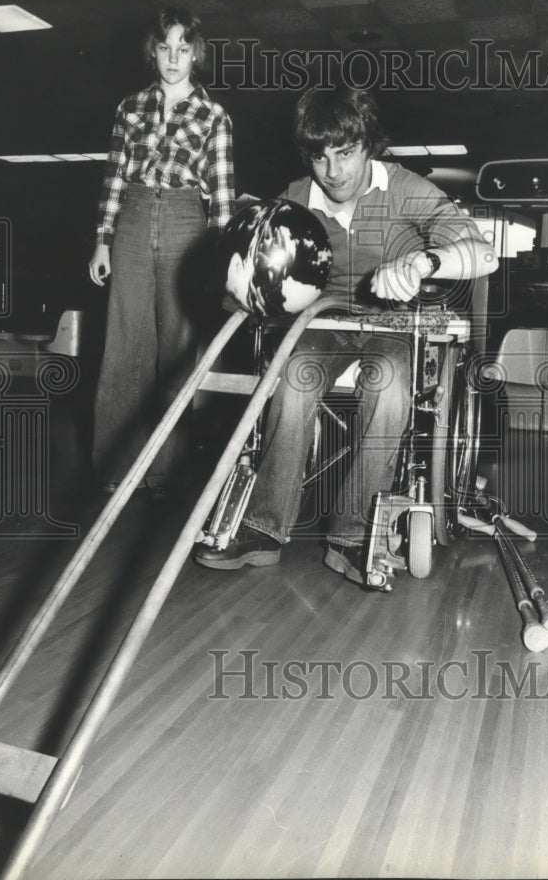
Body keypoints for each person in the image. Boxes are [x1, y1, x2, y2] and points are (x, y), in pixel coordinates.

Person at [194, 86, 497, 582]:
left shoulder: (404, 188)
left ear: (368, 144)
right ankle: (263, 528)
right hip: (323, 325)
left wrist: (426, 261)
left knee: (388, 381)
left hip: (392, 325)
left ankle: (353, 537)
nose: (333, 172)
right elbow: (250, 283)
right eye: (319, 156)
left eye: (345, 152)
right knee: (293, 373)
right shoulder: (294, 199)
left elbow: (484, 253)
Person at [89, 6, 235, 498]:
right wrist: (102, 241)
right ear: (152, 52)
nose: (174, 57)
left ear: (196, 54)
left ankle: (165, 475)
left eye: (183, 48)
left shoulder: (215, 115)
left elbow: (222, 196)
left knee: (177, 350)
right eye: (165, 47)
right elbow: (112, 178)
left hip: (184, 220)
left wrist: (220, 260)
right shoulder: (128, 108)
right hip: (131, 218)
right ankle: (115, 467)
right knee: (125, 346)